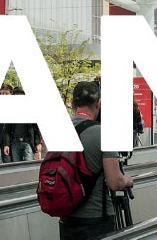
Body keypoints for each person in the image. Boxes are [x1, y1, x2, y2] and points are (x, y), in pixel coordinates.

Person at [58, 80, 134, 240]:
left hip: (67, 217)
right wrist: (126, 180)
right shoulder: (102, 133)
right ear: (98, 104)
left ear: (72, 103)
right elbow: (114, 183)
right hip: (96, 218)